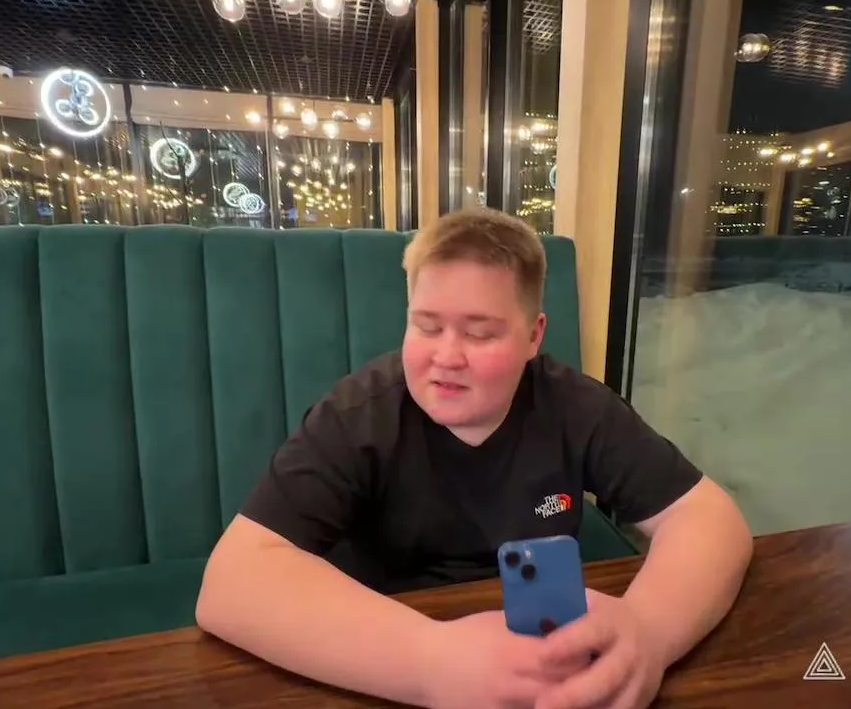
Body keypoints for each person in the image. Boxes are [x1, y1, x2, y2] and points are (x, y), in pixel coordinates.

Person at [196, 207, 753, 709]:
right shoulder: (357, 415)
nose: (446, 356)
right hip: (380, 649)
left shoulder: (577, 407)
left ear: (533, 336)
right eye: (426, 326)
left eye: (480, 333)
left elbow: (707, 517)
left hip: (547, 649)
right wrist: (430, 662)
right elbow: (233, 581)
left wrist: (650, 632)